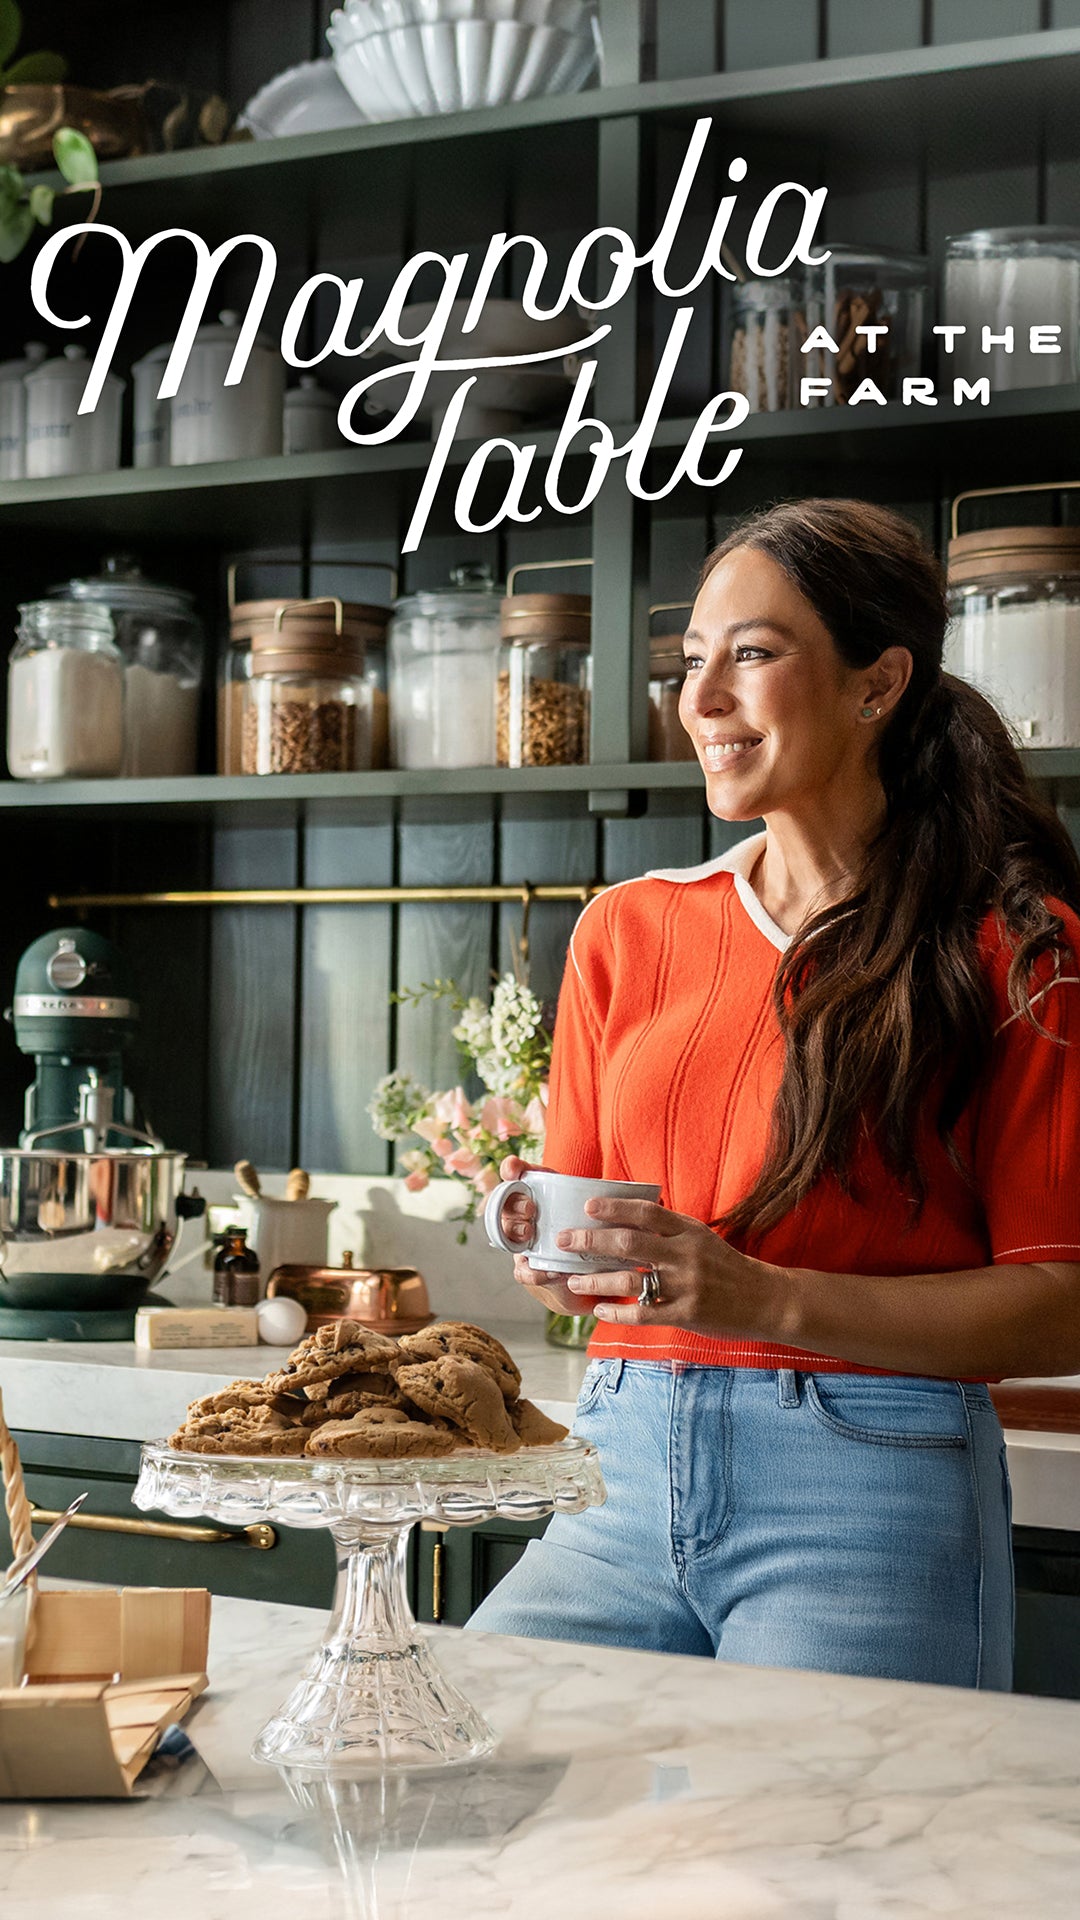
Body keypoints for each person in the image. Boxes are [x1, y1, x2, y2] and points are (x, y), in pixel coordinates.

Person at [467, 497, 1080, 1689]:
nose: (700, 699)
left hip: (867, 1482)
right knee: (465, 1753)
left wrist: (762, 1295)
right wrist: (543, 1237)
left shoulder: (1017, 951)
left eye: (750, 654)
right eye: (691, 659)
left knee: (820, 1820)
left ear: (876, 684)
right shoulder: (625, 931)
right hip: (617, 1460)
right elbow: (578, 1219)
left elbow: (1063, 1304)